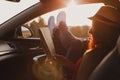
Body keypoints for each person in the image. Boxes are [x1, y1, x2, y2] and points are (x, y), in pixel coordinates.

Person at [53, 4, 120, 80]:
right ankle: (60, 28)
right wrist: (68, 63)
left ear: (103, 31)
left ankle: (59, 29)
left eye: (94, 27)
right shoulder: (110, 53)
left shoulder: (91, 56)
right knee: (76, 43)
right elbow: (89, 72)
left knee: (76, 44)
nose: (90, 31)